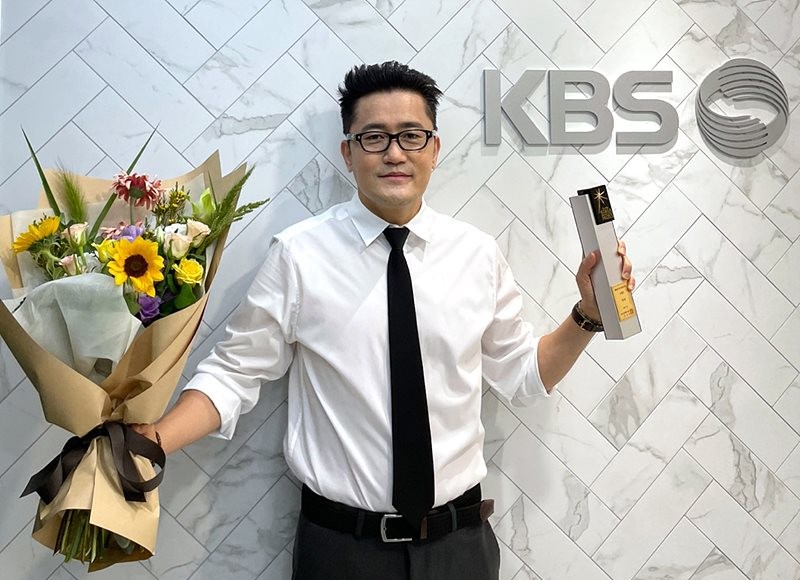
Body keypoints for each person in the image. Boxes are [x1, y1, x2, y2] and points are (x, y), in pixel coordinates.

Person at [134, 61, 634, 580]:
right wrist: (151, 443)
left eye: (411, 136)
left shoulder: (478, 255)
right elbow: (234, 373)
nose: (394, 153)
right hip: (342, 552)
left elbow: (524, 376)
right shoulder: (299, 256)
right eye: (374, 137)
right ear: (347, 153)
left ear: (434, 149)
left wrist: (587, 316)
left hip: (460, 548)